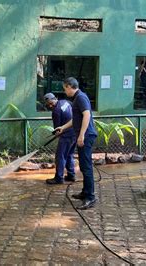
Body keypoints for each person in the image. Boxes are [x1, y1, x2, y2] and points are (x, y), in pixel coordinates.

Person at [54, 77, 98, 210]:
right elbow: (76, 119)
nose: (64, 92)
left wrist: (82, 135)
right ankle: (85, 192)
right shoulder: (77, 98)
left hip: (87, 136)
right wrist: (63, 127)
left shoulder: (81, 98)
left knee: (86, 166)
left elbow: (87, 115)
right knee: (84, 166)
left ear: (69, 86)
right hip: (83, 135)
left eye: (64, 88)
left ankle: (90, 197)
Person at [43, 92, 76, 185]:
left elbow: (58, 130)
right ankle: (71, 175)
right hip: (75, 133)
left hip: (66, 135)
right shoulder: (65, 102)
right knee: (69, 154)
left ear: (55, 98)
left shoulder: (56, 111)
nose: (50, 105)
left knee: (60, 156)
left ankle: (59, 178)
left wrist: (56, 134)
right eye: (48, 104)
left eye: (51, 103)